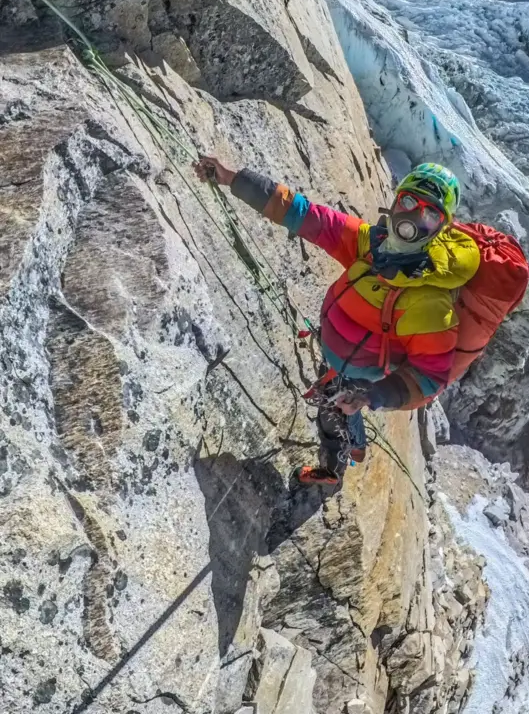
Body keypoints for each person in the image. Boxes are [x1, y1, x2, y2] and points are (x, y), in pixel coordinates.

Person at [194, 156, 481, 488]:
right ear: (396, 200)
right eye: (409, 201)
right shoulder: (371, 244)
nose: (413, 218)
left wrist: (372, 396)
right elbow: (308, 216)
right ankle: (355, 444)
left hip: (361, 374)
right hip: (340, 358)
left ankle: (333, 470)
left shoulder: (431, 302)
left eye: (431, 214)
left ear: (442, 228)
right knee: (341, 409)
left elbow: (429, 378)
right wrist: (234, 179)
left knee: (333, 419)